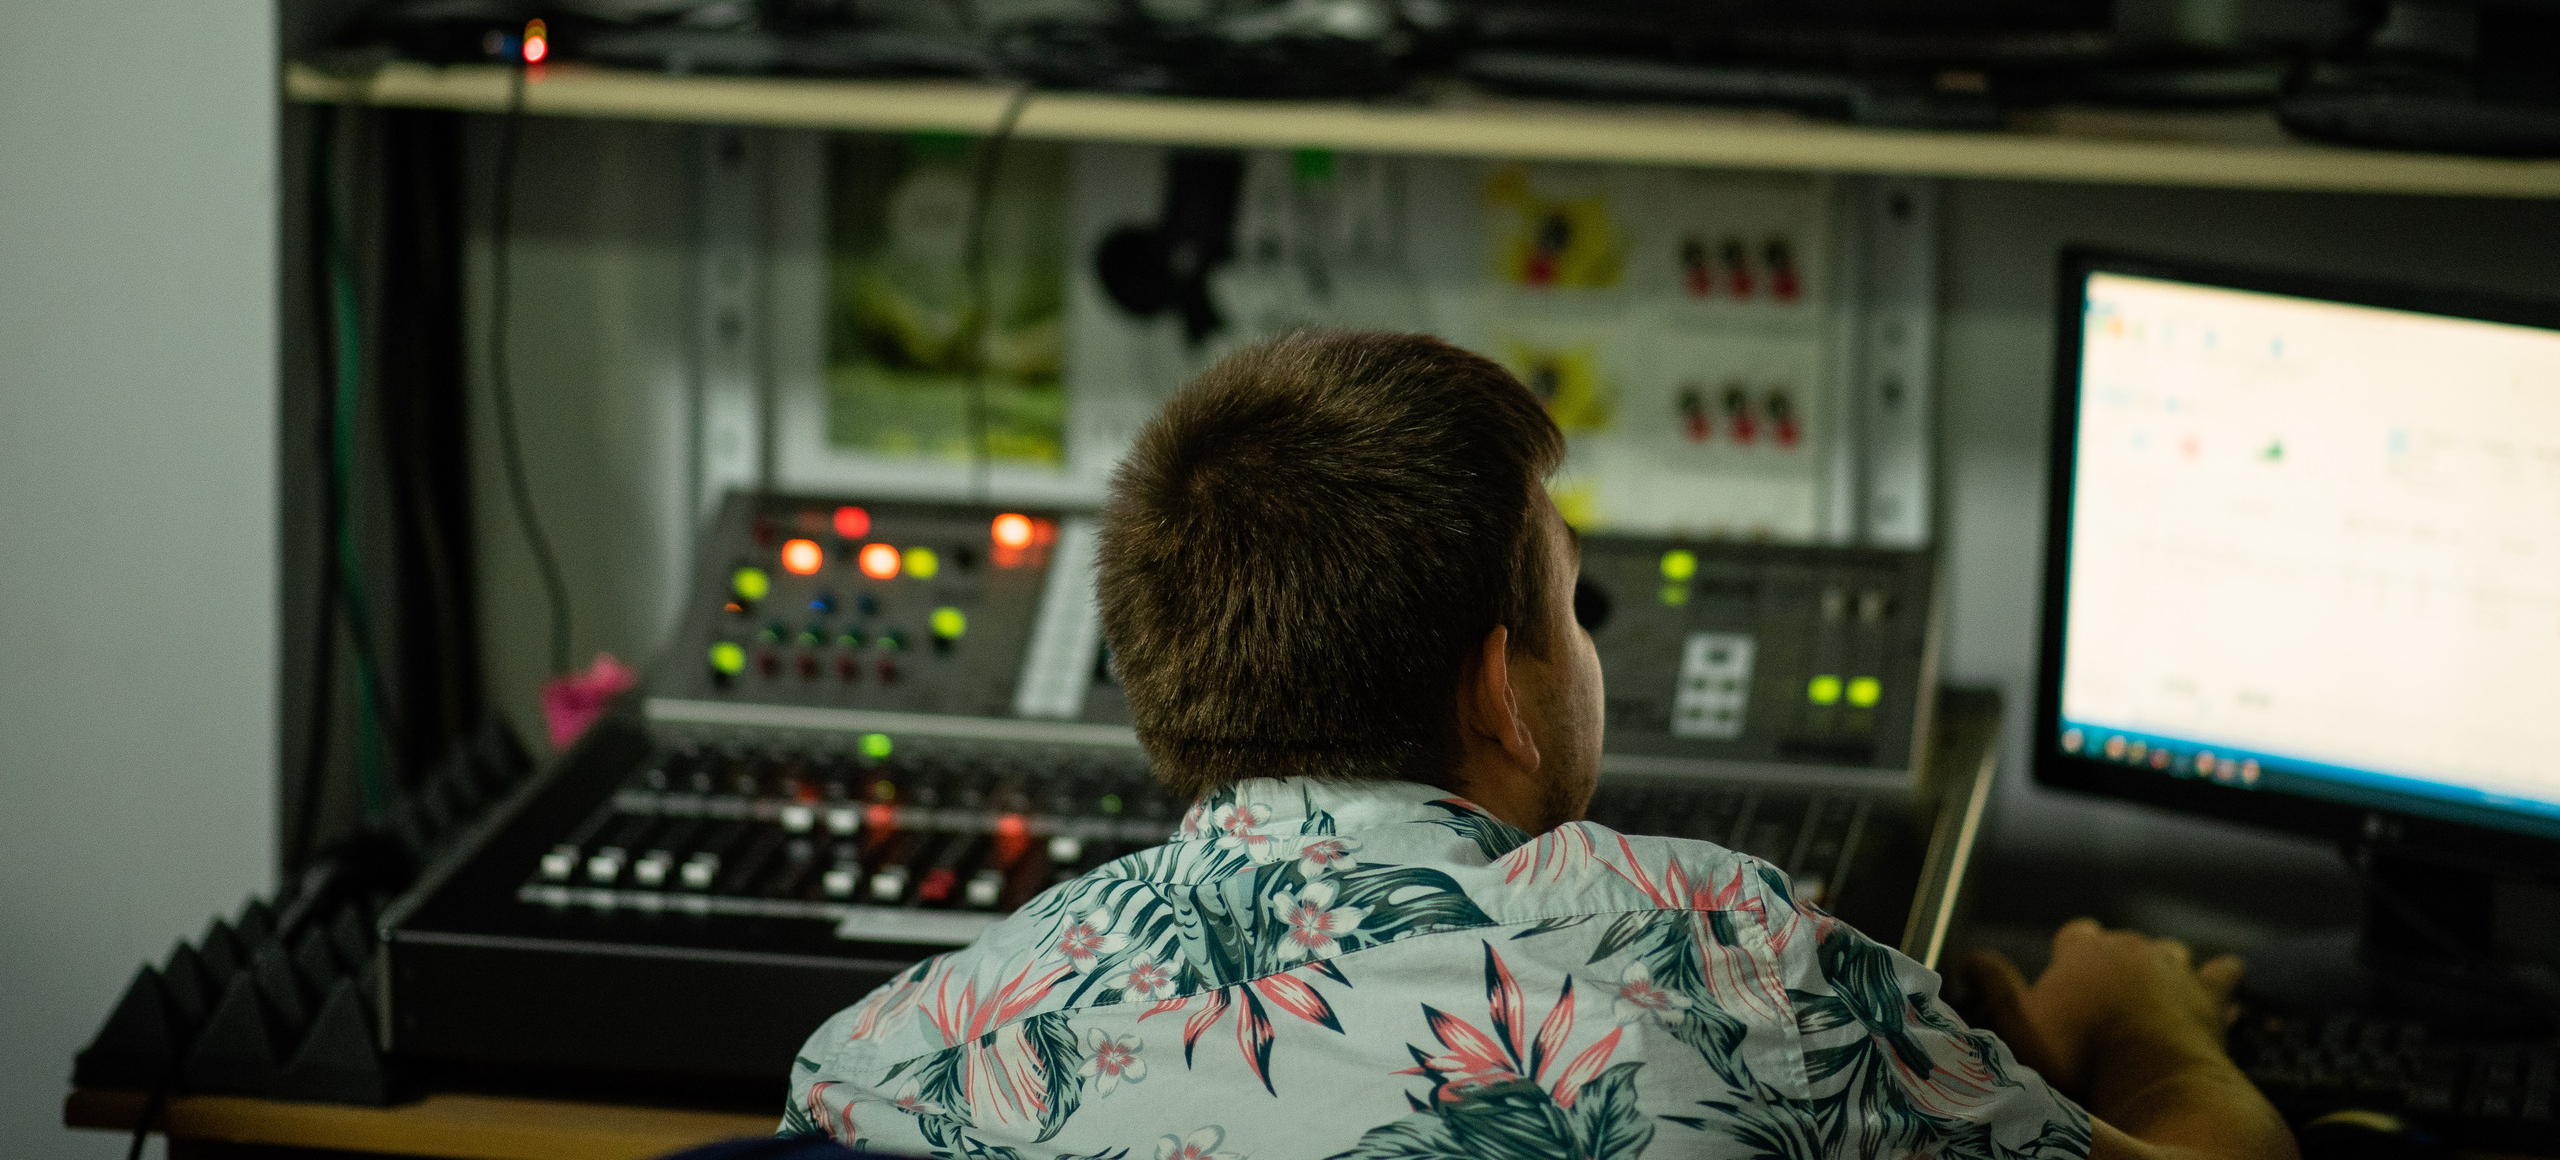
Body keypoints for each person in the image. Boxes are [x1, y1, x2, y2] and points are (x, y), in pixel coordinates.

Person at [783, 331, 2297, 1160]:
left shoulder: (901, 1049)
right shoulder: (1727, 952)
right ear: (1500, 688)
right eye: (1572, 609)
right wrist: (2154, 1026)